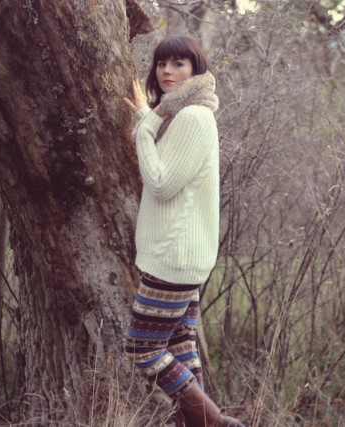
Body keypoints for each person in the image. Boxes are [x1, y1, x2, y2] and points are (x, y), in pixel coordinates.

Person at [123, 36, 245, 427]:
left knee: (145, 348)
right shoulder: (186, 114)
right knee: (179, 347)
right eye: (162, 64)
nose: (167, 72)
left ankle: (220, 424)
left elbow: (160, 183)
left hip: (173, 256)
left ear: (196, 69)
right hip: (183, 254)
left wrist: (146, 125)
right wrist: (153, 116)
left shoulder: (192, 118)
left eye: (179, 64)